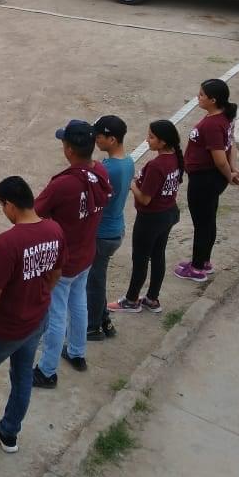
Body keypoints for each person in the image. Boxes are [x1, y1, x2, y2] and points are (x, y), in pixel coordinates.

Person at [0, 177, 64, 462]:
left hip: (6, 326)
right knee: (22, 376)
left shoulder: (9, 242)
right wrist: (40, 296)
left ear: (9, 205)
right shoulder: (54, 229)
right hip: (36, 318)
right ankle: (9, 432)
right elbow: (56, 274)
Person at [32, 120, 113, 388]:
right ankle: (77, 352)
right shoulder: (99, 171)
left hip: (62, 260)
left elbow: (34, 212)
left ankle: (46, 370)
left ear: (68, 149)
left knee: (56, 316)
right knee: (78, 303)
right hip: (86, 252)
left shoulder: (64, 184)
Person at [110, 121, 184, 314]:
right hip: (168, 213)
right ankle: (152, 298)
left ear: (162, 142)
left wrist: (132, 184)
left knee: (141, 259)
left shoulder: (156, 165)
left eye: (151, 137)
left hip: (151, 218)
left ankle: (131, 300)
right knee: (158, 255)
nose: (147, 140)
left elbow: (145, 199)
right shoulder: (175, 158)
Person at [176, 80, 239, 283]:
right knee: (208, 219)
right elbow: (232, 144)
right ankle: (203, 261)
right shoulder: (222, 118)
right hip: (211, 177)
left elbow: (220, 156)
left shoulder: (213, 124)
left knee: (202, 223)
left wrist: (229, 173)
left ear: (213, 100)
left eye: (202, 95)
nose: (199, 97)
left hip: (205, 179)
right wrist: (232, 170)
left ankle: (196, 267)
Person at [87, 116, 135, 341]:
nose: (96, 140)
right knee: (97, 279)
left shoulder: (107, 169)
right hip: (114, 229)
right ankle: (104, 319)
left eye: (99, 137)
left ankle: (94, 326)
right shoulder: (128, 162)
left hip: (102, 234)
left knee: (94, 282)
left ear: (112, 139)